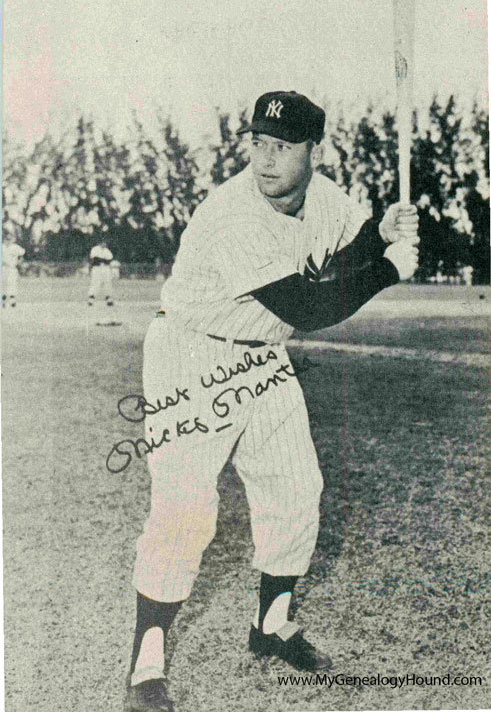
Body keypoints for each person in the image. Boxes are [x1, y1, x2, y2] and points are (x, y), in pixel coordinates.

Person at [123, 91, 419, 712]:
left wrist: (383, 236)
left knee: (295, 486)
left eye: (282, 147)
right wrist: (389, 270)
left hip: (264, 354)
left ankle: (272, 624)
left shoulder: (328, 196)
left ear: (316, 151)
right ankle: (146, 659)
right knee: (184, 506)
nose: (265, 159)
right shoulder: (232, 212)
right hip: (193, 356)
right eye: (257, 143)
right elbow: (310, 307)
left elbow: (352, 246)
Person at [87, 241, 114, 308]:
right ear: (99, 243)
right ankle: (91, 300)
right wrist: (103, 260)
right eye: (103, 242)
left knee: (107, 283)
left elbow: (109, 260)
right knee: (95, 283)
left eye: (105, 243)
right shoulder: (95, 249)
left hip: (105, 269)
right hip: (97, 268)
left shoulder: (107, 250)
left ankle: (109, 300)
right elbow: (95, 260)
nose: (104, 244)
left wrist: (102, 260)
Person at [2, 239, 25, 308]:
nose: (8, 240)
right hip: (3, 268)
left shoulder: (15, 247)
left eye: (9, 239)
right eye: (6, 239)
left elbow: (21, 256)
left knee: (12, 284)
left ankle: (12, 302)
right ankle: (4, 302)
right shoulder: (2, 247)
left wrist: (18, 263)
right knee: (3, 284)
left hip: (12, 268)